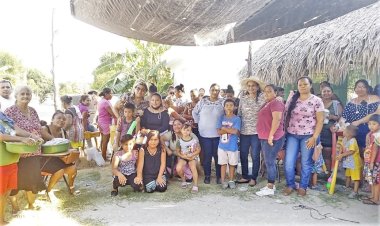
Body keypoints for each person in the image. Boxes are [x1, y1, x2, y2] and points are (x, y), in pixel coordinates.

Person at [5, 86, 48, 212]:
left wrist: (49, 139)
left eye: (28, 94)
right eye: (22, 94)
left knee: (33, 180)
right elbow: (11, 130)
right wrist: (31, 136)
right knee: (16, 182)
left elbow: (39, 128)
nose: (25, 96)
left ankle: (31, 205)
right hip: (19, 152)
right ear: (16, 96)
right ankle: (15, 206)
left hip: (34, 151)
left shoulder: (33, 110)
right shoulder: (10, 111)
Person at [283, 77, 324, 197]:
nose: (302, 86)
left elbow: (320, 121)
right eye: (300, 84)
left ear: (310, 85)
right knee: (289, 162)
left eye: (305, 84)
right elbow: (286, 115)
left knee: (306, 162)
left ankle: (303, 186)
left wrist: (314, 137)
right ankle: (290, 185)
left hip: (309, 136)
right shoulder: (293, 99)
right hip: (292, 135)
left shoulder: (317, 100)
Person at [0, 110, 41, 225]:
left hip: (12, 159)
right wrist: (21, 139)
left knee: (7, 192)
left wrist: (33, 136)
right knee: (1, 193)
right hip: (1, 162)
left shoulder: (3, 116)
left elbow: (17, 130)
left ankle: (1, 219)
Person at [256, 84, 285, 196]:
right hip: (265, 136)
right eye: (265, 91)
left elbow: (277, 120)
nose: (266, 93)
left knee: (269, 161)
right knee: (268, 161)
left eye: (269, 91)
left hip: (272, 137)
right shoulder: (268, 103)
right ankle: (270, 185)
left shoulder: (276, 103)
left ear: (275, 93)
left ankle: (270, 187)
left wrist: (271, 135)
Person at [192, 83, 224, 184]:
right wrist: (198, 123)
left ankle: (219, 176)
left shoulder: (222, 102)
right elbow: (194, 112)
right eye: (213, 90)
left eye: (217, 90)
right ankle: (207, 176)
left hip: (219, 134)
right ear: (209, 90)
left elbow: (227, 113)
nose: (215, 92)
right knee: (207, 156)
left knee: (218, 155)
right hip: (205, 134)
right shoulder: (203, 101)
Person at [41, 110, 78, 195]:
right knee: (59, 171)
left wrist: (74, 154)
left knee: (73, 168)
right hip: (44, 160)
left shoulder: (63, 132)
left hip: (59, 159)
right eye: (59, 118)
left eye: (64, 119)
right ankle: (47, 191)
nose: (62, 120)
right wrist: (61, 142)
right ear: (52, 119)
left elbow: (69, 146)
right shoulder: (44, 129)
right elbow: (54, 141)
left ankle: (71, 187)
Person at [237, 77, 265, 186]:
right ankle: (245, 176)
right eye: (249, 86)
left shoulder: (263, 97)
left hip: (257, 132)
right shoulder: (243, 98)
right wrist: (238, 128)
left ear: (257, 87)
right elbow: (239, 114)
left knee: (255, 155)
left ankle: (253, 177)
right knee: (243, 154)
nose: (251, 88)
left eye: (253, 85)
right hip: (244, 131)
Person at [342, 79, 380, 153]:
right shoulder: (351, 102)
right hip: (354, 130)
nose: (361, 89)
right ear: (355, 89)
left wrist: (359, 122)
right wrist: (337, 126)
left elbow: (378, 112)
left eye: (363, 87)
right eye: (358, 87)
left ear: (367, 88)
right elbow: (344, 117)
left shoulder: (375, 98)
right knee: (355, 150)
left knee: (369, 151)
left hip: (371, 128)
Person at [217, 99, 241, 189]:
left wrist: (224, 128)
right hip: (222, 146)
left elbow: (235, 131)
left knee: (232, 164)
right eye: (227, 105)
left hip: (232, 146)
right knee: (223, 164)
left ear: (234, 107)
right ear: (224, 107)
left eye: (231, 105)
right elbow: (218, 132)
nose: (229, 107)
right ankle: (223, 181)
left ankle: (231, 180)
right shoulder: (221, 118)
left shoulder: (237, 119)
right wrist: (228, 129)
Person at [320, 86, 343, 171]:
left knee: (328, 153)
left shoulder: (336, 104)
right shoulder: (317, 102)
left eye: (328, 91)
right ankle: (316, 175)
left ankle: (329, 174)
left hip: (330, 133)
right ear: (321, 93)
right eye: (324, 91)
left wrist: (332, 117)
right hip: (317, 131)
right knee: (316, 153)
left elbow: (341, 118)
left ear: (332, 93)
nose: (326, 93)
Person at [336, 125, 361, 199]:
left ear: (349, 133)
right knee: (347, 175)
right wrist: (339, 154)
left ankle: (355, 192)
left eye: (344, 131)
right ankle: (347, 187)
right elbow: (341, 146)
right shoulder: (345, 139)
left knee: (355, 177)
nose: (343, 131)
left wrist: (342, 155)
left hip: (354, 163)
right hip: (348, 162)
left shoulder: (353, 141)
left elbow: (351, 151)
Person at [176, 124, 201, 192]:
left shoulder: (194, 140)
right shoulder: (179, 141)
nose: (186, 131)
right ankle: (183, 180)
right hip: (183, 157)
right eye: (184, 129)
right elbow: (178, 151)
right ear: (181, 130)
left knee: (193, 168)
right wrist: (182, 156)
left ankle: (195, 185)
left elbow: (198, 149)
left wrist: (192, 155)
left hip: (192, 157)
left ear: (190, 131)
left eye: (188, 130)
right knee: (178, 168)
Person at [362, 114, 380, 205]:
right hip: (371, 160)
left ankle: (376, 199)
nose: (371, 126)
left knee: (376, 181)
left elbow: (375, 149)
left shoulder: (378, 135)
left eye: (374, 124)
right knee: (372, 180)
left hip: (376, 161)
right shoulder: (371, 134)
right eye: (369, 124)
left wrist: (372, 162)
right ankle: (373, 196)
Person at [98, 88, 117, 161]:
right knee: (106, 141)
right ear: (106, 94)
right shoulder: (106, 102)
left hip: (101, 122)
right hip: (106, 123)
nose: (111, 95)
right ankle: (103, 157)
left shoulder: (101, 101)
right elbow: (112, 113)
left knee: (103, 140)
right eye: (111, 93)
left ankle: (102, 155)